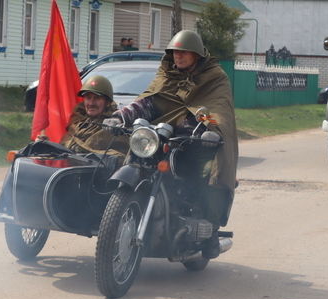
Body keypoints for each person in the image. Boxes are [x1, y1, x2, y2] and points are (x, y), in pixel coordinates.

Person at [106, 29, 238, 258]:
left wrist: (209, 128)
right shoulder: (166, 74)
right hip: (159, 137)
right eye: (175, 52)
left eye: (184, 52)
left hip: (193, 141)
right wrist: (120, 117)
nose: (179, 56)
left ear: (196, 54)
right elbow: (148, 102)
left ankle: (210, 234)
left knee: (204, 179)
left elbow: (214, 111)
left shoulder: (214, 77)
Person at [38, 75, 128, 160]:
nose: (91, 103)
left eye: (97, 98)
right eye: (88, 98)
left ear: (107, 102)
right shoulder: (77, 122)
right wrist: (47, 145)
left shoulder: (115, 128)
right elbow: (63, 151)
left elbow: (120, 158)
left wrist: (84, 153)